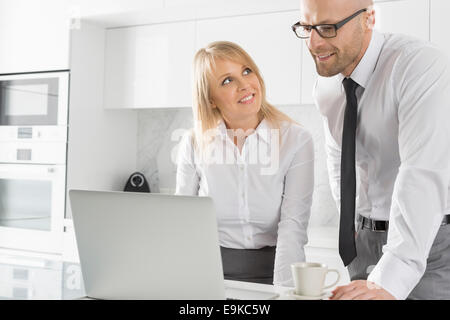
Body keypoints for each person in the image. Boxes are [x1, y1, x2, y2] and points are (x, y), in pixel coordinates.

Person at [293, 0, 450, 299]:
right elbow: (339, 157)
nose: (313, 43)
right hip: (363, 242)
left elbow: (422, 172)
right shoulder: (327, 85)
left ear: (369, 19)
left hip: (429, 243)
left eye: (327, 28)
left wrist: (392, 277)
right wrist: (349, 222)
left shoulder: (418, 65)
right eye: (306, 27)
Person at [175, 41, 314, 286]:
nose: (245, 85)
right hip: (207, 272)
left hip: (274, 271)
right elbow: (180, 220)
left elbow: (293, 226)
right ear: (210, 100)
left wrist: (283, 291)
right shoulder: (194, 142)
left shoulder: (296, 140)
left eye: (247, 71)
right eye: (227, 81)